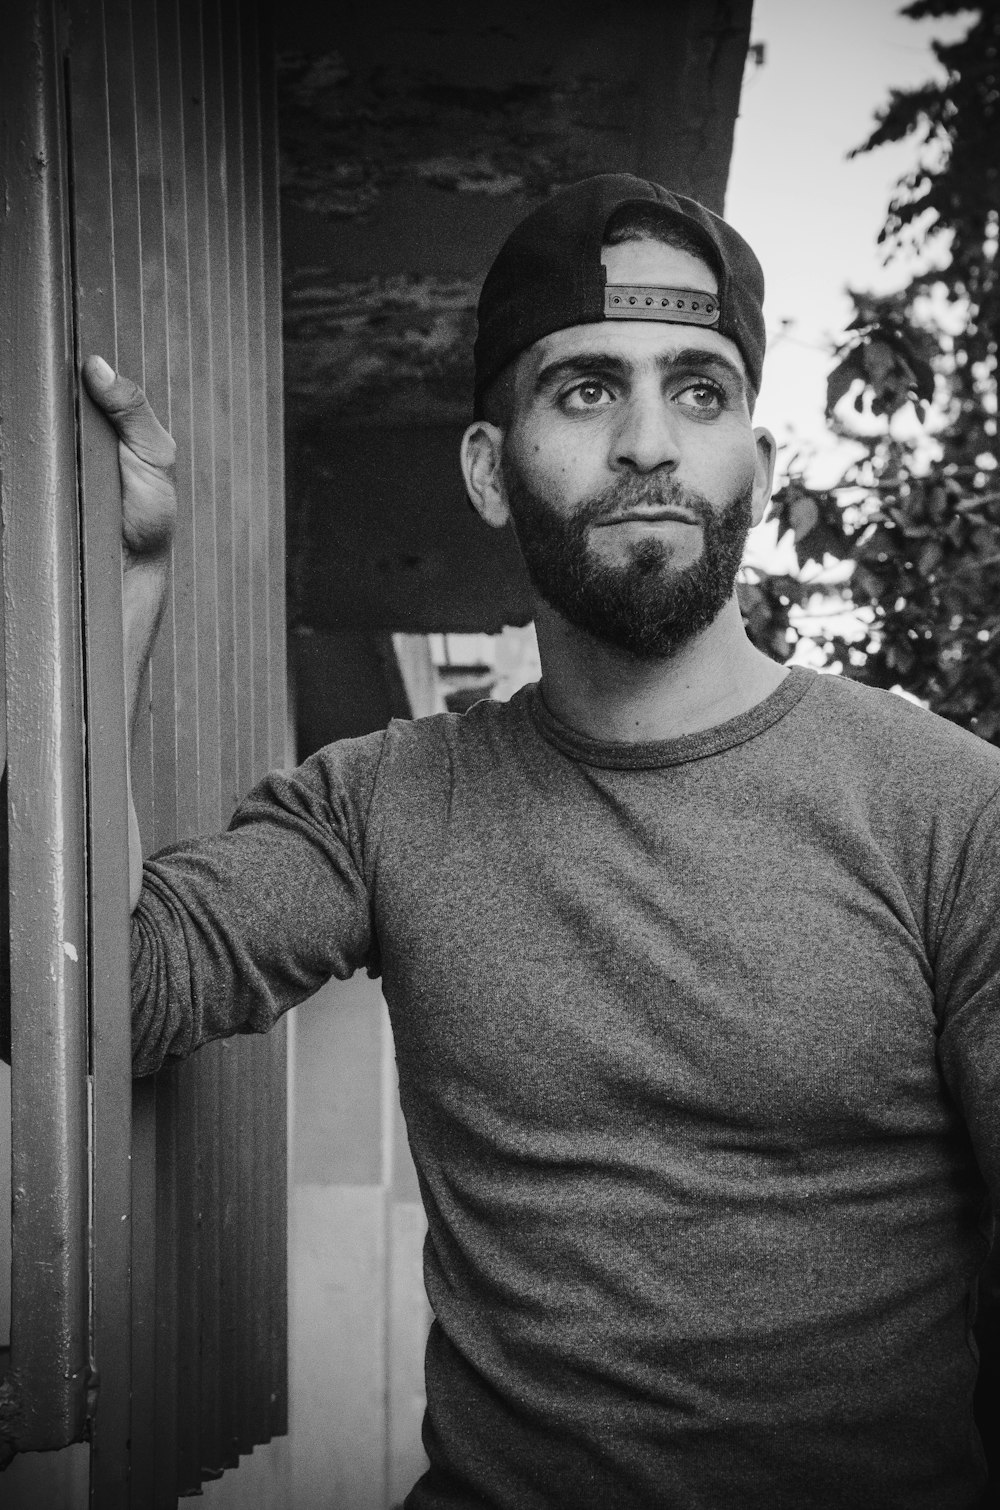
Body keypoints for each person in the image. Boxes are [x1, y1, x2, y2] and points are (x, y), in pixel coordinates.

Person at [83, 174, 1000, 1510]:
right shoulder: (385, 803)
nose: (649, 441)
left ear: (758, 458)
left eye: (700, 390)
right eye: (584, 390)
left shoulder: (950, 810)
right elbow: (92, 992)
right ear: (488, 469)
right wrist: (109, 612)